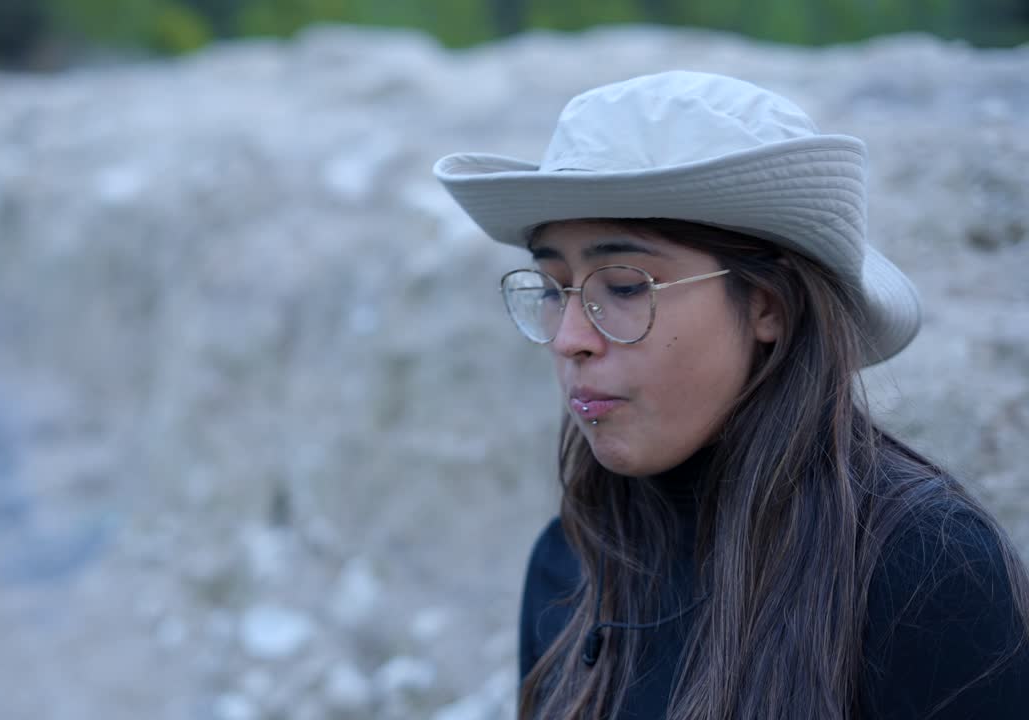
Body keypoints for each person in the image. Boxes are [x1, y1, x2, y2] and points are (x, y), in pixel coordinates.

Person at [433, 71, 1029, 719]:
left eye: (625, 287)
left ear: (768, 306)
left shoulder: (925, 571)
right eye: (553, 288)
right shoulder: (569, 566)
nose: (569, 337)